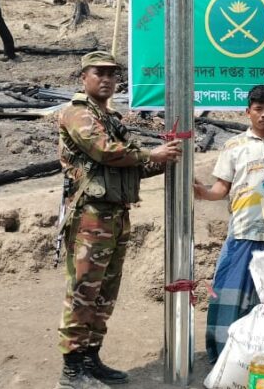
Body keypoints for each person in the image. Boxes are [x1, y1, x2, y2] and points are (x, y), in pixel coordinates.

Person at [56, 51, 182, 389]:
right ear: (84, 77)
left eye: (113, 74)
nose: (109, 79)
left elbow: (133, 165)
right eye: (101, 73)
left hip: (115, 218)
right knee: (83, 292)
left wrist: (166, 157)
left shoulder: (110, 119)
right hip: (90, 220)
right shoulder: (77, 115)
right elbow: (104, 151)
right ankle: (71, 369)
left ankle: (90, 357)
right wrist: (150, 153)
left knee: (105, 293)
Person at [193, 84, 264, 364]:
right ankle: (223, 357)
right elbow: (221, 188)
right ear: (248, 112)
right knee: (228, 294)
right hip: (241, 233)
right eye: (258, 109)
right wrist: (202, 192)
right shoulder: (233, 147)